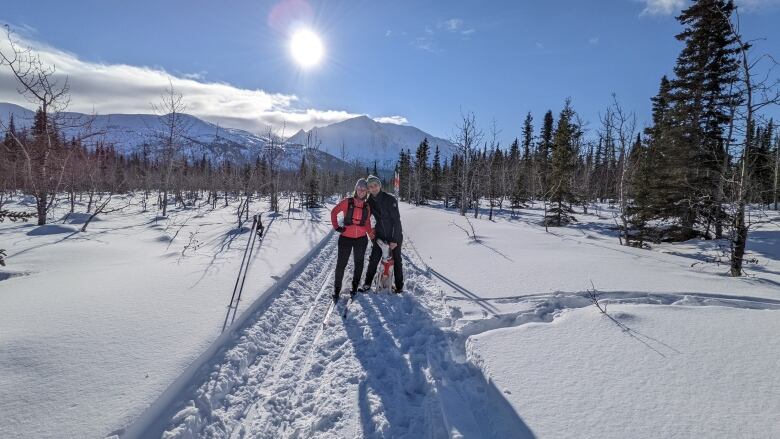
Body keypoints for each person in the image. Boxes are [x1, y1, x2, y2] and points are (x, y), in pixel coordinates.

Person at [330, 178, 374, 302]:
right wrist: (337, 227)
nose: (361, 191)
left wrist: (372, 236)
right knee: (341, 265)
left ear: (366, 192)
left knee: (359, 264)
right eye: (359, 188)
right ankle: (337, 288)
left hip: (361, 239)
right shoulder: (347, 202)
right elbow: (334, 212)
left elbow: (367, 223)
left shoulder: (367, 206)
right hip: (345, 239)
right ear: (356, 189)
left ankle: (354, 287)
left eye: (364, 189)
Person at [359, 175, 404, 293]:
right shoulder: (369, 202)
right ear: (368, 189)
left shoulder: (390, 199)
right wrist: (370, 232)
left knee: (397, 260)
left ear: (380, 185)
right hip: (380, 236)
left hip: (394, 235)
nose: (373, 188)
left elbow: (397, 221)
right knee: (374, 259)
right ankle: (367, 284)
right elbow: (366, 218)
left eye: (375, 185)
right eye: (370, 187)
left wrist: (394, 240)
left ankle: (399, 287)